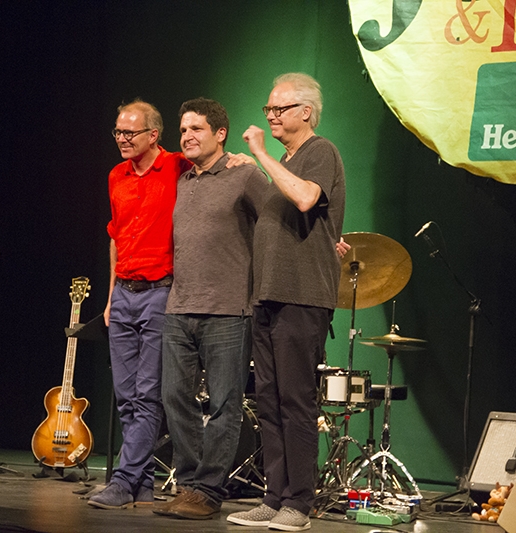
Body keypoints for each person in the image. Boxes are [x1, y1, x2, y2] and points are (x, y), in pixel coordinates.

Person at [227, 73, 346, 531]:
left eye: (280, 108)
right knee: (269, 401)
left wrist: (258, 153)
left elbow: (305, 198)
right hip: (268, 296)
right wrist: (261, 165)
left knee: (297, 402)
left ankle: (300, 503)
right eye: (268, 109)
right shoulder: (287, 158)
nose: (271, 115)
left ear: (307, 113)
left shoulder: (322, 151)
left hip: (301, 297)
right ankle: (275, 497)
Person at [153, 98, 270, 520]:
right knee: (174, 398)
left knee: (224, 404)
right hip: (179, 306)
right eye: (183, 130)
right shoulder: (184, 180)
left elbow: (278, 219)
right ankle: (188, 485)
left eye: (196, 129)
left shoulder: (244, 176)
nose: (187, 136)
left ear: (220, 134)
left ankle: (207, 491)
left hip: (228, 310)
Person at [88, 100, 191, 510]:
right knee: (125, 395)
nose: (122, 139)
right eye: (117, 132)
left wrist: (237, 156)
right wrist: (111, 296)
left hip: (160, 293)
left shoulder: (177, 167)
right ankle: (143, 482)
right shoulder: (116, 176)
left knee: (147, 395)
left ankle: (122, 479)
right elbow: (116, 238)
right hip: (125, 295)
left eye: (130, 133)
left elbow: (213, 161)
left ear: (154, 135)